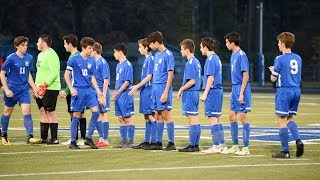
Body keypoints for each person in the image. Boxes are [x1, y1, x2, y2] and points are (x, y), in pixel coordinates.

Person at [0, 36, 41, 145]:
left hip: (23, 90)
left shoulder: (29, 58)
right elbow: (2, 74)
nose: (25, 47)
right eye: (23, 45)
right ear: (17, 46)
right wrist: (6, 89)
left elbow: (28, 75)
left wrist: (34, 87)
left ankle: (30, 136)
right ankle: (3, 135)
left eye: (26, 45)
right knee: (7, 112)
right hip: (12, 89)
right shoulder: (11, 58)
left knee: (27, 111)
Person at [64, 37, 104, 149]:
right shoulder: (74, 59)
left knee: (96, 112)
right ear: (83, 48)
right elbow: (66, 75)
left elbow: (92, 77)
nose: (92, 50)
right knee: (76, 115)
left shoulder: (92, 61)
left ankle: (88, 138)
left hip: (89, 90)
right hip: (78, 90)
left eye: (92, 48)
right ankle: (73, 141)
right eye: (90, 48)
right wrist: (71, 88)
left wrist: (98, 91)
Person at [269, 32, 304, 158]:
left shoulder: (279, 58)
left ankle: (285, 151)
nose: (278, 45)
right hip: (296, 90)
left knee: (281, 120)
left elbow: (273, 79)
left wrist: (273, 71)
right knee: (289, 119)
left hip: (284, 90)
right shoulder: (298, 58)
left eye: (279, 43)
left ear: (283, 44)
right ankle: (298, 140)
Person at [221, 32, 251, 156]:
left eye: (227, 42)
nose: (226, 45)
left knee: (242, 117)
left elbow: (246, 75)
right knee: (231, 116)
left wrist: (241, 93)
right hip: (235, 88)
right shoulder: (233, 55)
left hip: (241, 88)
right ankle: (234, 145)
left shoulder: (241, 55)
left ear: (232, 43)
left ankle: (246, 148)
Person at [145, 31, 176, 151]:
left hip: (163, 87)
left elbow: (170, 75)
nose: (150, 47)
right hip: (155, 87)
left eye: (151, 44)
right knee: (157, 114)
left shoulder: (168, 55)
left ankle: (171, 143)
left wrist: (165, 92)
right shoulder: (157, 55)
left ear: (156, 42)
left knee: (166, 114)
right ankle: (158, 142)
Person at [199, 37, 226, 154]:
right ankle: (221, 145)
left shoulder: (210, 59)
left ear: (205, 47)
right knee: (216, 118)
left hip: (213, 91)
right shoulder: (216, 58)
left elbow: (211, 77)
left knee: (213, 118)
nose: (200, 50)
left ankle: (216, 145)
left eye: (201, 47)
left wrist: (205, 94)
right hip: (217, 91)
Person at [59, 34, 87, 146]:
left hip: (75, 90)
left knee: (78, 114)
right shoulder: (75, 56)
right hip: (75, 90)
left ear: (70, 44)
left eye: (65, 43)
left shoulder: (75, 57)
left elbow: (72, 77)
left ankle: (81, 138)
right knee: (75, 114)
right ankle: (75, 138)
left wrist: (66, 90)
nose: (64, 46)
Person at [129, 38, 156, 149]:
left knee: (151, 116)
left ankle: (154, 141)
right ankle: (146, 141)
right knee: (146, 116)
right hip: (145, 90)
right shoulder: (146, 60)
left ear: (146, 47)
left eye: (140, 47)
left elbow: (149, 76)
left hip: (149, 90)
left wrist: (137, 86)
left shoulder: (151, 59)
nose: (139, 49)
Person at [35, 34, 61, 144]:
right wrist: (36, 87)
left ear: (44, 43)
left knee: (51, 112)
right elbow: (39, 72)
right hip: (39, 89)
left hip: (50, 88)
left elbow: (54, 72)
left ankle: (54, 138)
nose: (37, 43)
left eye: (38, 41)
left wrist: (44, 85)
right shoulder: (40, 55)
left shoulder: (52, 54)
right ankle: (44, 137)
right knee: (42, 111)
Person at [176, 39, 201, 152]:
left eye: (182, 49)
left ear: (187, 49)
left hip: (190, 93)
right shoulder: (196, 61)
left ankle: (192, 145)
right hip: (194, 93)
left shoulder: (190, 62)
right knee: (195, 119)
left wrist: (181, 89)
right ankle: (195, 145)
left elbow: (192, 81)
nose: (181, 51)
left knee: (191, 119)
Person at [111, 43, 135, 148]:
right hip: (119, 95)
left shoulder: (127, 65)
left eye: (115, 52)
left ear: (120, 52)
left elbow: (126, 82)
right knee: (120, 118)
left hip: (125, 95)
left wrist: (116, 93)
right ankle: (124, 140)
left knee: (128, 118)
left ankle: (130, 141)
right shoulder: (118, 65)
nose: (114, 54)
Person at [91, 42, 110, 147]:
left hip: (102, 93)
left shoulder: (103, 62)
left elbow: (106, 80)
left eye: (91, 49)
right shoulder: (94, 62)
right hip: (95, 92)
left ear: (95, 51)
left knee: (103, 114)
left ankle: (105, 139)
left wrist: (103, 95)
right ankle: (101, 137)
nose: (89, 52)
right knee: (97, 115)